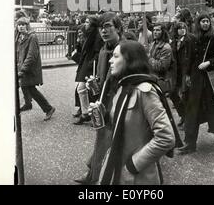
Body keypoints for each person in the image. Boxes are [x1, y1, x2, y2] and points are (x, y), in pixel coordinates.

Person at [98, 41, 174, 185]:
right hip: (115, 166)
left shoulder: (145, 91)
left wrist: (133, 165)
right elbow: (118, 126)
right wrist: (102, 114)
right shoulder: (123, 85)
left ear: (129, 60)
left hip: (137, 177)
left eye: (115, 56)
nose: (110, 60)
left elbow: (166, 138)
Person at [74, 12, 123, 184]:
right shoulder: (103, 51)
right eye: (102, 27)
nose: (104, 30)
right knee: (103, 139)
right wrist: (95, 85)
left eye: (108, 26)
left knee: (110, 140)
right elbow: (103, 82)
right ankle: (94, 174)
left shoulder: (125, 49)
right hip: (105, 104)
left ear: (118, 28)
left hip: (122, 104)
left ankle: (95, 175)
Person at [178, 13, 214, 154]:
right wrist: (188, 75)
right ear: (198, 23)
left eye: (207, 21)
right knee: (193, 110)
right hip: (197, 79)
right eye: (202, 21)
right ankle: (190, 143)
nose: (205, 24)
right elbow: (189, 58)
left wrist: (209, 62)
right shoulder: (192, 39)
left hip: (212, 79)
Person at [16, 17, 55, 121]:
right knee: (24, 85)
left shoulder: (32, 37)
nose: (21, 27)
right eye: (19, 25)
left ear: (27, 25)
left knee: (31, 89)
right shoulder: (21, 36)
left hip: (30, 69)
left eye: (23, 25)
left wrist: (23, 70)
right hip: (24, 68)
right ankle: (28, 104)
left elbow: (31, 56)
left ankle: (48, 108)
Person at [73, 16, 103, 124]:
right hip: (86, 64)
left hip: (91, 66)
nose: (85, 24)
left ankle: (95, 116)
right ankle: (85, 113)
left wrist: (91, 63)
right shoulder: (87, 34)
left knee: (93, 92)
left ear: (92, 25)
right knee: (81, 88)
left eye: (87, 22)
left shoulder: (97, 36)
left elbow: (98, 52)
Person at [171, 21, 196, 128]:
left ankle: (187, 119)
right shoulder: (174, 42)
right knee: (173, 94)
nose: (182, 30)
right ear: (176, 30)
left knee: (185, 96)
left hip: (186, 71)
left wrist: (189, 73)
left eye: (184, 27)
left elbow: (192, 57)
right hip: (176, 72)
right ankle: (183, 114)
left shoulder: (189, 40)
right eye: (180, 28)